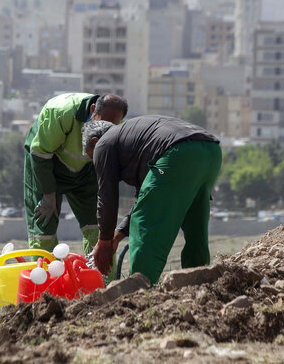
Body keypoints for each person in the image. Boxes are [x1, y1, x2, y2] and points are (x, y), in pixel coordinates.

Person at [83, 115, 222, 285]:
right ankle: (198, 285)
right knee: (195, 227)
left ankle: (140, 290)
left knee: (145, 226)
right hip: (210, 152)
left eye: (93, 158)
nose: (96, 162)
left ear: (95, 141)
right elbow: (145, 197)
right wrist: (117, 235)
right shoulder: (134, 138)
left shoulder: (103, 144)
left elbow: (107, 195)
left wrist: (104, 241)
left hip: (176, 154)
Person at [24, 93, 127, 257]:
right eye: (101, 122)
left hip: (86, 171)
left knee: (100, 228)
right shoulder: (61, 112)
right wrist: (48, 196)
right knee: (43, 226)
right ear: (93, 109)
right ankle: (46, 279)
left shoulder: (118, 127)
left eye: (110, 126)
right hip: (46, 166)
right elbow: (41, 154)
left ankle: (101, 280)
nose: (104, 130)